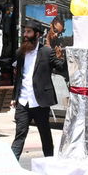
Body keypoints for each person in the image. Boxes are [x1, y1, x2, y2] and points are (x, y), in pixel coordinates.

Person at [11, 19, 64, 160]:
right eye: (24, 31)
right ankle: (12, 164)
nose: (25, 35)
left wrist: (63, 56)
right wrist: (15, 97)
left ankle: (49, 162)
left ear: (37, 34)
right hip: (23, 101)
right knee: (20, 134)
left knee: (45, 134)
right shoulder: (20, 52)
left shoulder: (46, 52)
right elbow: (19, 78)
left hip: (40, 102)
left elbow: (61, 67)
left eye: (28, 32)